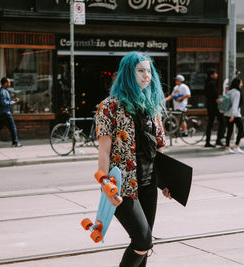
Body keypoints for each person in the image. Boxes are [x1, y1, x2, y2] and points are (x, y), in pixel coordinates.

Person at [95, 51, 171, 267]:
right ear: (128, 73)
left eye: (149, 70)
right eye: (140, 70)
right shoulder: (109, 106)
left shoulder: (152, 107)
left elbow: (159, 148)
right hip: (122, 185)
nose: (147, 75)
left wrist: (167, 181)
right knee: (143, 241)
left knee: (144, 248)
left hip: (149, 184)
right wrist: (105, 185)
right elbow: (103, 151)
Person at [0, 77, 22, 147]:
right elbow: (3, 102)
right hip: (5, 112)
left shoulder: (3, 90)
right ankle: (15, 142)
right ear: (5, 83)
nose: (10, 83)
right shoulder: (2, 91)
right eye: (9, 82)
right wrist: (13, 102)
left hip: (2, 113)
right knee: (13, 127)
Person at [204, 68, 225, 147]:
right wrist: (222, 103)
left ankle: (208, 141)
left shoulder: (207, 83)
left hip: (209, 105)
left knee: (210, 123)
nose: (217, 75)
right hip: (214, 106)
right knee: (222, 121)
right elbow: (216, 98)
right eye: (215, 74)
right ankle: (218, 140)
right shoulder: (212, 84)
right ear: (211, 75)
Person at [224, 78, 244, 154]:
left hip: (227, 114)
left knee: (229, 131)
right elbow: (235, 105)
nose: (242, 84)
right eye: (241, 83)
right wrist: (233, 115)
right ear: (238, 84)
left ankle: (227, 148)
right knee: (241, 130)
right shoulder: (237, 92)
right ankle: (236, 146)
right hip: (235, 115)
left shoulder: (229, 91)